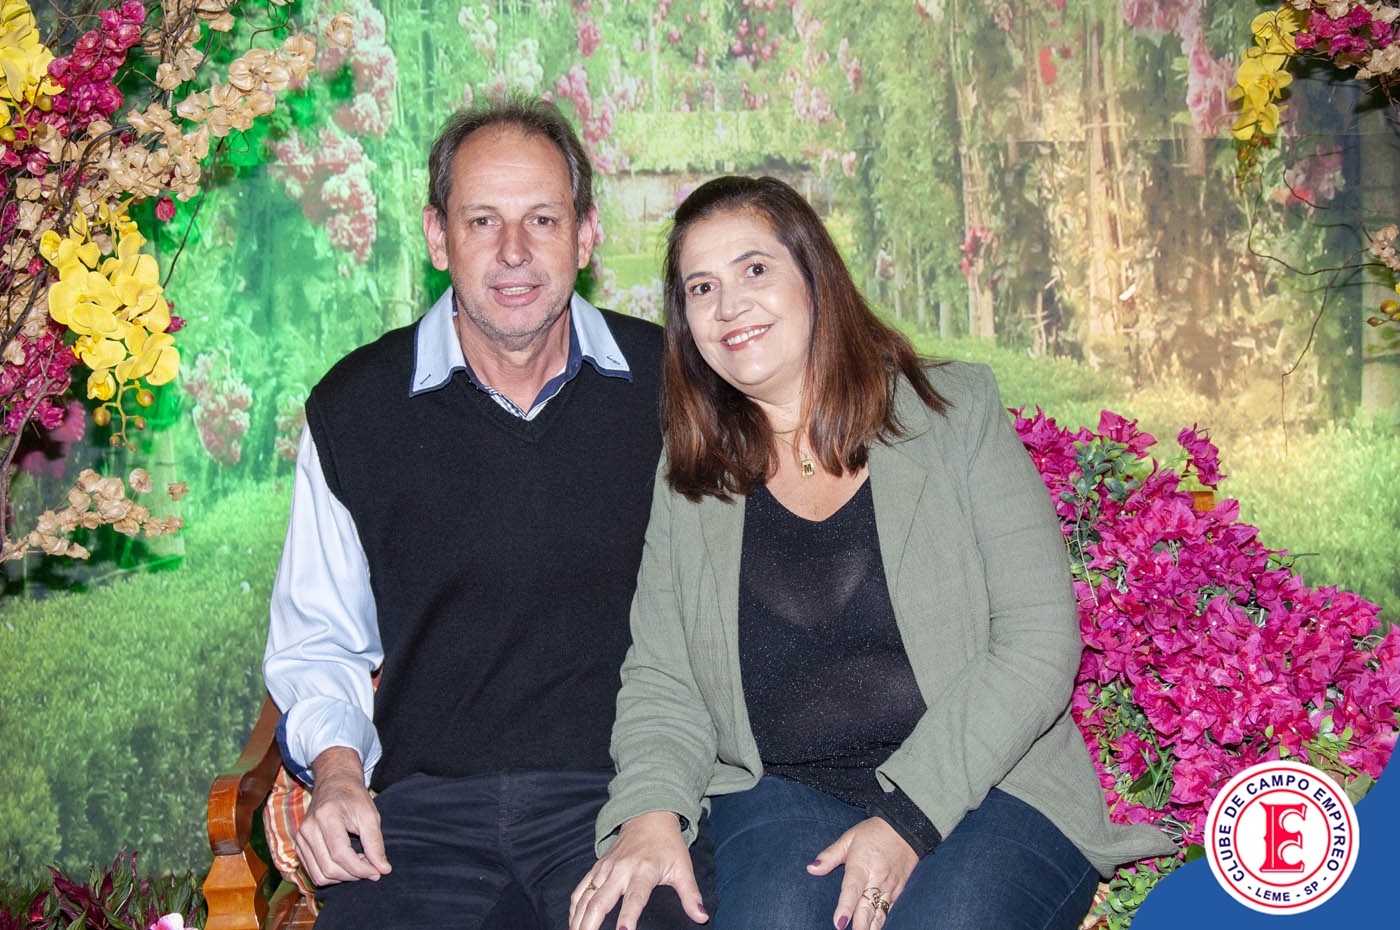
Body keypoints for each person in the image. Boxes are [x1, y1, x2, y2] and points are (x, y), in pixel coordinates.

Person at [569, 176, 1175, 930]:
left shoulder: (952, 413)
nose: (729, 306)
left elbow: (1037, 641)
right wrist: (651, 810)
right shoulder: (692, 474)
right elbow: (665, 677)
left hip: (992, 783)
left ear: (814, 277)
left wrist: (908, 819)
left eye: (755, 268)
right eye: (702, 288)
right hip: (784, 789)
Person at [262, 98, 711, 930]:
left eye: (542, 219)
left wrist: (663, 799)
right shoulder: (355, 410)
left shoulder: (675, 389)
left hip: (621, 803)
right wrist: (336, 773)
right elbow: (320, 642)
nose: (513, 251)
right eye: (481, 221)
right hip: (420, 817)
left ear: (586, 235)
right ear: (438, 238)